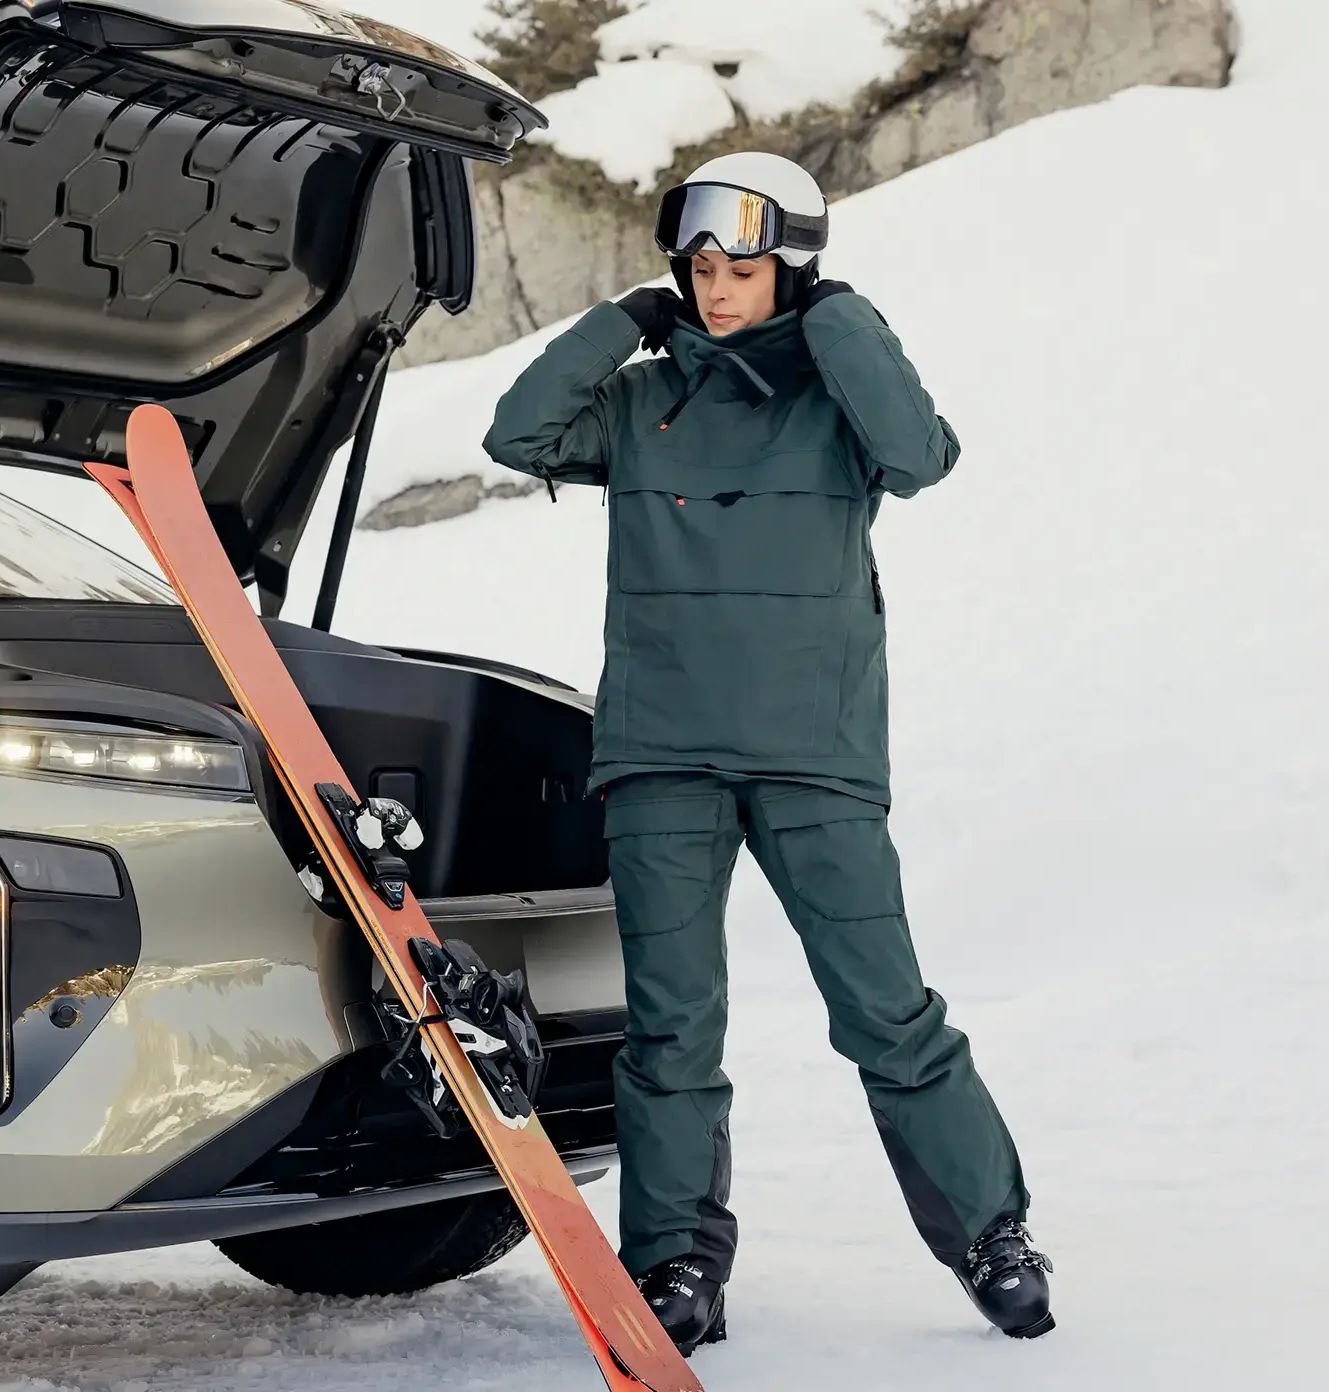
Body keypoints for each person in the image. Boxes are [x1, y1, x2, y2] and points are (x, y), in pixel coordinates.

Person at [482, 152, 1051, 1352]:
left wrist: (840, 316)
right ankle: (678, 1263)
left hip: (814, 758)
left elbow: (921, 453)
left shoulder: (841, 405)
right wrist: (621, 320)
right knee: (673, 1029)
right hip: (661, 759)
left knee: (889, 1015)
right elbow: (515, 431)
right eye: (695, 266)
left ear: (790, 266)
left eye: (743, 264)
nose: (715, 285)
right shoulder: (639, 406)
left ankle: (992, 1236)